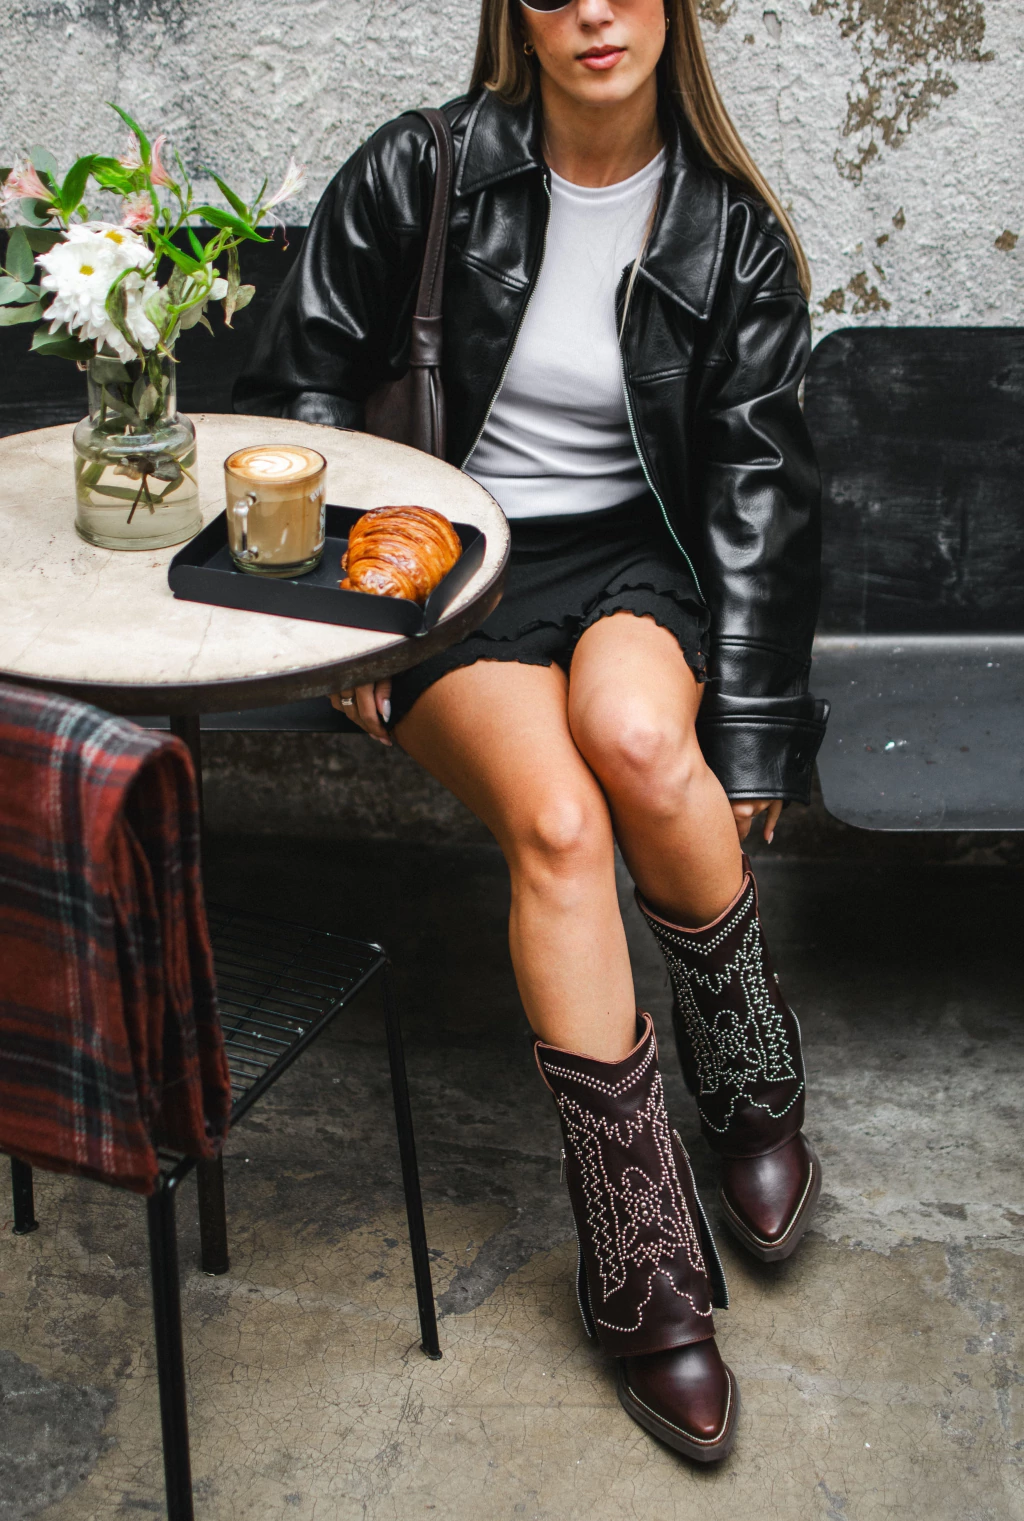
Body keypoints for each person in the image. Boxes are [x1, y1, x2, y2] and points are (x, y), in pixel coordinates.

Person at [236, 0, 829, 1464]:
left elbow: (759, 490)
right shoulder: (422, 169)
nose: (593, 12)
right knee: (560, 826)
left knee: (641, 745)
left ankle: (748, 1078)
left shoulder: (730, 232)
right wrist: (352, 604)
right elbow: (296, 385)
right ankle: (643, 1263)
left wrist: (753, 733)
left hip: (633, 554)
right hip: (455, 566)